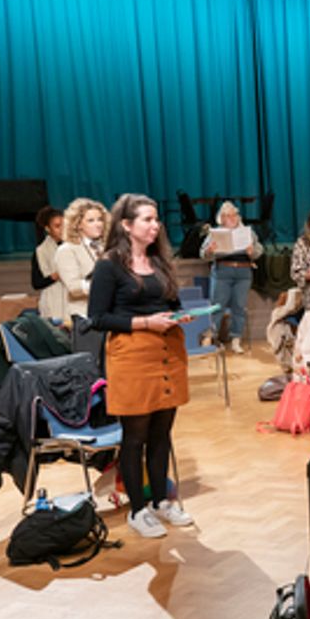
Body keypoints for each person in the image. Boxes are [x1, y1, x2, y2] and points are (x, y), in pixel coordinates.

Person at [86, 194, 193, 539]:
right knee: (135, 438)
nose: (155, 225)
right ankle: (137, 510)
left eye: (156, 219)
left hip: (167, 351)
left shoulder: (160, 262)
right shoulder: (109, 265)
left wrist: (181, 315)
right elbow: (98, 318)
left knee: (162, 434)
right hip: (131, 355)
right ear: (127, 225)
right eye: (147, 219)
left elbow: (171, 302)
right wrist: (145, 323)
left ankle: (161, 502)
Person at [201, 201, 262, 355]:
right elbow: (203, 254)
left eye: (234, 214)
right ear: (221, 218)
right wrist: (209, 250)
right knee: (217, 306)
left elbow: (259, 251)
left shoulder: (247, 232)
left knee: (239, 307)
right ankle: (210, 337)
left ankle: (236, 339)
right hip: (223, 271)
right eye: (227, 215)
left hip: (243, 272)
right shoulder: (215, 233)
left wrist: (251, 251)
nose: (231, 218)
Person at [54, 198, 107, 323]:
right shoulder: (67, 250)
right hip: (84, 317)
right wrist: (108, 286)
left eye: (100, 219)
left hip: (109, 315)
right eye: (91, 220)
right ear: (78, 224)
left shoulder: (107, 247)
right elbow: (74, 287)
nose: (98, 224)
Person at [31, 206, 63, 319]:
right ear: (48, 229)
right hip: (53, 301)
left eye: (64, 225)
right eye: (57, 226)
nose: (62, 229)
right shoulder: (41, 251)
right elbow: (36, 283)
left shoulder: (74, 246)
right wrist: (54, 276)